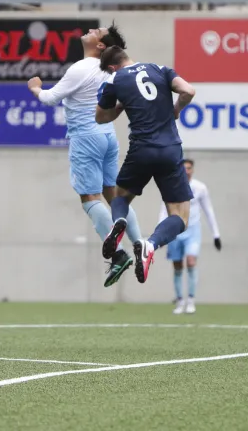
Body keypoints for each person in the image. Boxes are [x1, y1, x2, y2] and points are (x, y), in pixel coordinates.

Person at [28, 25, 143, 287]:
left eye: (97, 31)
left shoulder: (81, 67)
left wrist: (35, 87)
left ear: (101, 46)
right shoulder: (111, 70)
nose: (91, 30)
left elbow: (49, 98)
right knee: (114, 195)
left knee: (89, 198)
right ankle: (140, 244)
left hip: (85, 136)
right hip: (108, 136)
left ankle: (118, 255)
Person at [95, 46, 197, 283]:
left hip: (141, 149)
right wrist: (176, 109)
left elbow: (100, 116)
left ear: (111, 66)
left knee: (119, 198)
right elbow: (188, 91)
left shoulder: (114, 79)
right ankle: (150, 244)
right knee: (180, 217)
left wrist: (120, 108)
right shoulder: (159, 69)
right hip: (170, 150)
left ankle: (119, 221)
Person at [161, 159, 220, 314]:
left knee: (191, 261)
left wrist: (216, 234)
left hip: (193, 230)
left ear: (192, 170)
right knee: (177, 265)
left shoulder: (200, 188)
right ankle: (180, 300)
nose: (186, 171)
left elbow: (208, 210)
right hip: (175, 230)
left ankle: (191, 300)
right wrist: (160, 234)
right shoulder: (171, 185)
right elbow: (164, 209)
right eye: (184, 168)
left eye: (189, 168)